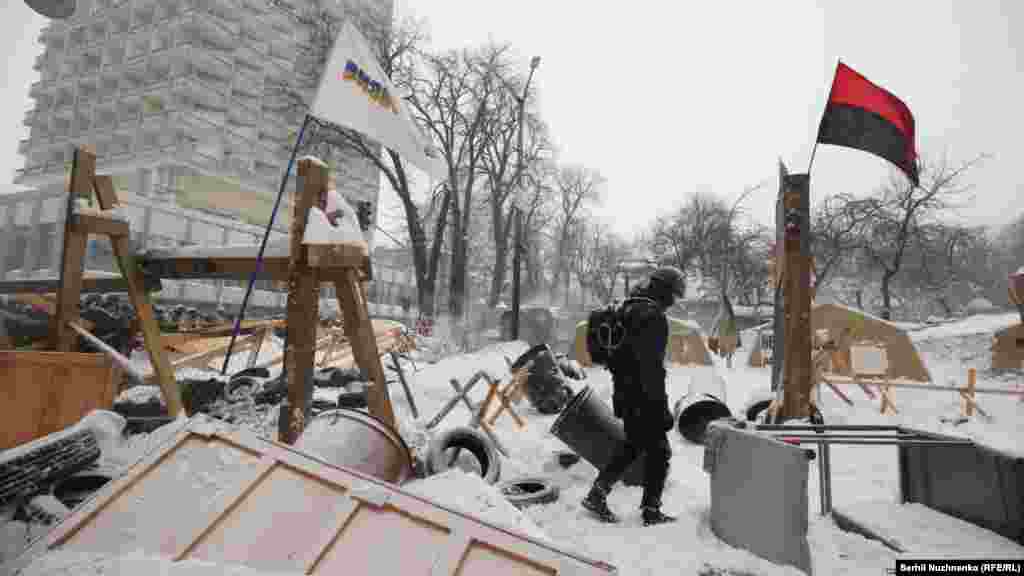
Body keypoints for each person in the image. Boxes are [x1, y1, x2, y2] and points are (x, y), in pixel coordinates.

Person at [581, 265, 686, 526]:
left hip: (625, 393)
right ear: (663, 290)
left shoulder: (627, 308)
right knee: (659, 452)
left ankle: (598, 493)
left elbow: (624, 358)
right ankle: (651, 510)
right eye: (673, 294)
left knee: (633, 445)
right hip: (644, 396)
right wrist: (660, 409)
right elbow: (650, 368)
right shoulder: (653, 317)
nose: (674, 301)